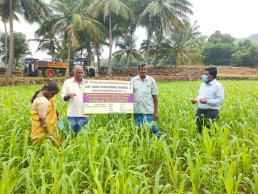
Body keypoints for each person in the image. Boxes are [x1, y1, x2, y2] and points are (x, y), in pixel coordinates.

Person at [131, 63, 161, 139]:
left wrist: (156, 112)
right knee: (139, 131)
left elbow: (155, 96)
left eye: (145, 69)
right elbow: (130, 95)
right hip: (137, 111)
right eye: (142, 69)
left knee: (153, 130)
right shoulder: (133, 80)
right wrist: (129, 109)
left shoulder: (151, 80)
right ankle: (143, 145)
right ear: (138, 70)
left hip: (148, 111)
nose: (143, 71)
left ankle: (158, 144)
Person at [191, 66, 224, 133]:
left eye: (206, 74)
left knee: (210, 133)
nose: (203, 76)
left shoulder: (218, 86)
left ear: (211, 76)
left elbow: (220, 101)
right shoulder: (202, 85)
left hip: (211, 112)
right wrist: (195, 100)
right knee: (198, 131)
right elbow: (200, 96)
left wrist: (207, 101)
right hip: (199, 111)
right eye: (203, 74)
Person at [30, 82, 61, 146]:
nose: (53, 96)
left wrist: (56, 113)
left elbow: (51, 106)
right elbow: (42, 121)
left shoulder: (43, 95)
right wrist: (50, 136)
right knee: (46, 151)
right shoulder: (43, 102)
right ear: (46, 90)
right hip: (42, 133)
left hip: (47, 128)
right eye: (52, 94)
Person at [61, 65, 88, 133]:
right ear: (74, 72)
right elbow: (63, 97)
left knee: (82, 137)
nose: (80, 74)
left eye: (81, 72)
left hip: (84, 115)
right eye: (78, 72)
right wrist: (69, 95)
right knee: (70, 135)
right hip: (72, 115)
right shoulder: (67, 82)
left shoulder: (87, 83)